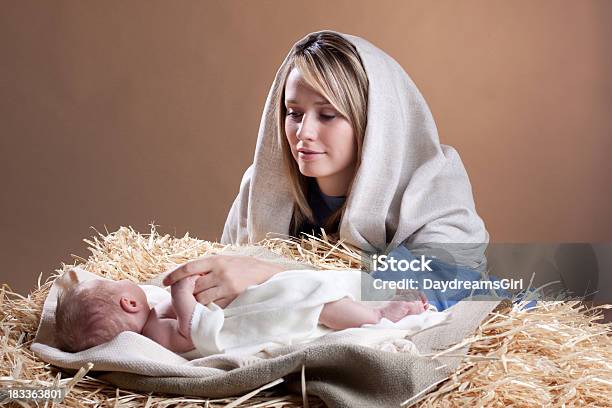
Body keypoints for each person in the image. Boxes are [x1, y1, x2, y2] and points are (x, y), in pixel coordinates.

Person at [163, 30, 504, 312]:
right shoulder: (262, 187)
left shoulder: (433, 183)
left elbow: (434, 291)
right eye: (294, 113)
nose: (303, 132)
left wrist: (271, 275)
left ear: (372, 123)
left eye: (327, 115)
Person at [54, 269, 428, 354]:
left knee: (307, 289)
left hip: (251, 302)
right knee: (313, 302)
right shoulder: (155, 334)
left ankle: (369, 307)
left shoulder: (152, 311)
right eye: (115, 282)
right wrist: (183, 293)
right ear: (129, 302)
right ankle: (379, 318)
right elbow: (192, 334)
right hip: (253, 320)